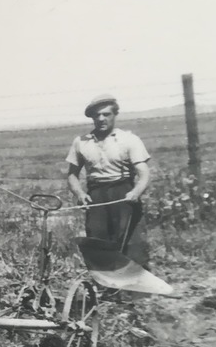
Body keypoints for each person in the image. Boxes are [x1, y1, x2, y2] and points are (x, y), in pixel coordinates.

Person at [65, 95, 152, 269]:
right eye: (97, 115)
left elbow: (144, 173)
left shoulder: (129, 139)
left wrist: (136, 192)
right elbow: (72, 175)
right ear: (92, 118)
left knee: (131, 239)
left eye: (106, 114)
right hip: (96, 194)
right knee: (97, 239)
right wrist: (80, 194)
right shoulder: (81, 142)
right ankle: (106, 287)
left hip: (123, 192)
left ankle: (135, 289)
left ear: (114, 115)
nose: (101, 119)